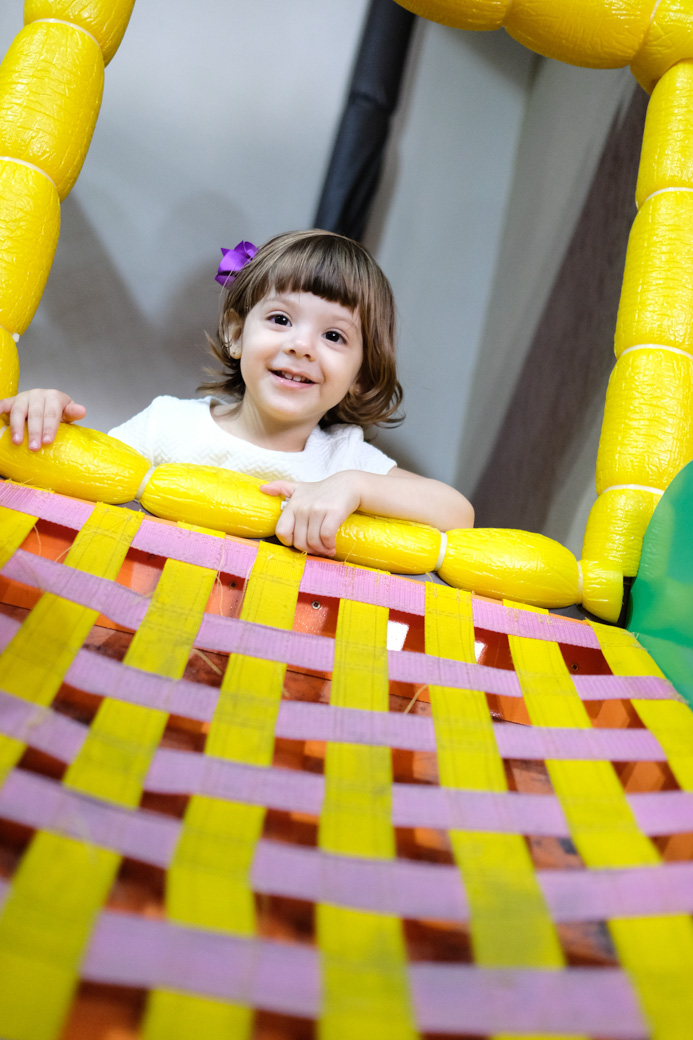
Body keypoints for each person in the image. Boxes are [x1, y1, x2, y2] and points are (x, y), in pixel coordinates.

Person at [0, 230, 473, 557]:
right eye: (281, 320)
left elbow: (458, 513)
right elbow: (86, 483)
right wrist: (43, 417)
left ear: (359, 376)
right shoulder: (168, 426)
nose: (301, 346)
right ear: (236, 334)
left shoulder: (344, 461)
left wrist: (355, 487)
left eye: (334, 337)